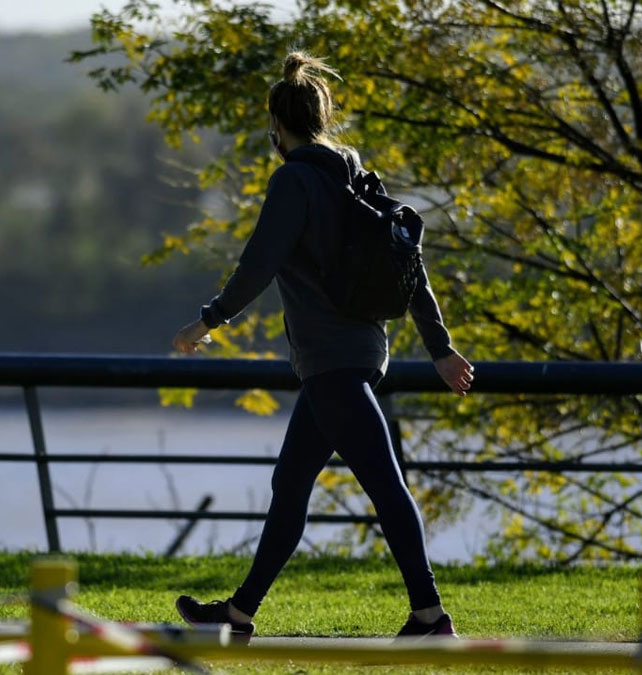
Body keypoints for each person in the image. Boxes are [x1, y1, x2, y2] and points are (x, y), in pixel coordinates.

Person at [170, 51, 474, 643]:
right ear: (321, 116)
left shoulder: (296, 181)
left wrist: (207, 321)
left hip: (333, 362)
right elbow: (412, 267)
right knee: (291, 486)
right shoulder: (358, 176)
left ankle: (431, 616)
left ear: (277, 128)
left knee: (386, 484)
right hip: (356, 353)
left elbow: (259, 262)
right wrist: (439, 347)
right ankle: (237, 615)